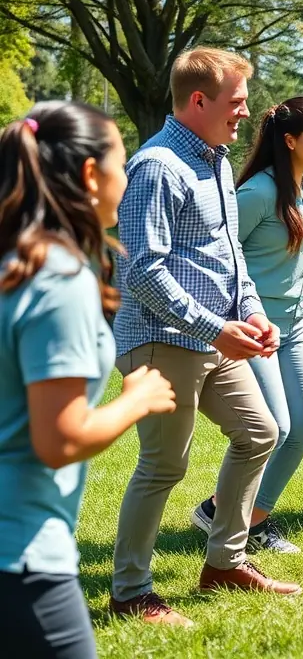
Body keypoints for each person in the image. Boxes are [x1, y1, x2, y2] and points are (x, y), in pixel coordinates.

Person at [111, 47, 301, 627]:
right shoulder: (158, 166)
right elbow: (143, 268)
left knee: (260, 432)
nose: (246, 113)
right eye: (237, 102)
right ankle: (130, 593)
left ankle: (224, 563)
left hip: (212, 338)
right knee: (164, 464)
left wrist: (250, 309)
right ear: (199, 101)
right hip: (159, 339)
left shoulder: (215, 159)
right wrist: (216, 327)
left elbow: (229, 251)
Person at [0, 103, 176, 657]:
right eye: (122, 163)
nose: (129, 179)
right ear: (90, 176)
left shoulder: (13, 264)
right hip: (22, 555)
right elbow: (62, 439)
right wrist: (135, 399)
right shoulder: (58, 279)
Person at [191, 97, 303, 552]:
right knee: (278, 426)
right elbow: (225, 259)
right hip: (255, 328)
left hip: (294, 325)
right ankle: (243, 526)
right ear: (289, 141)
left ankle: (228, 512)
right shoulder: (255, 194)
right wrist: (239, 316)